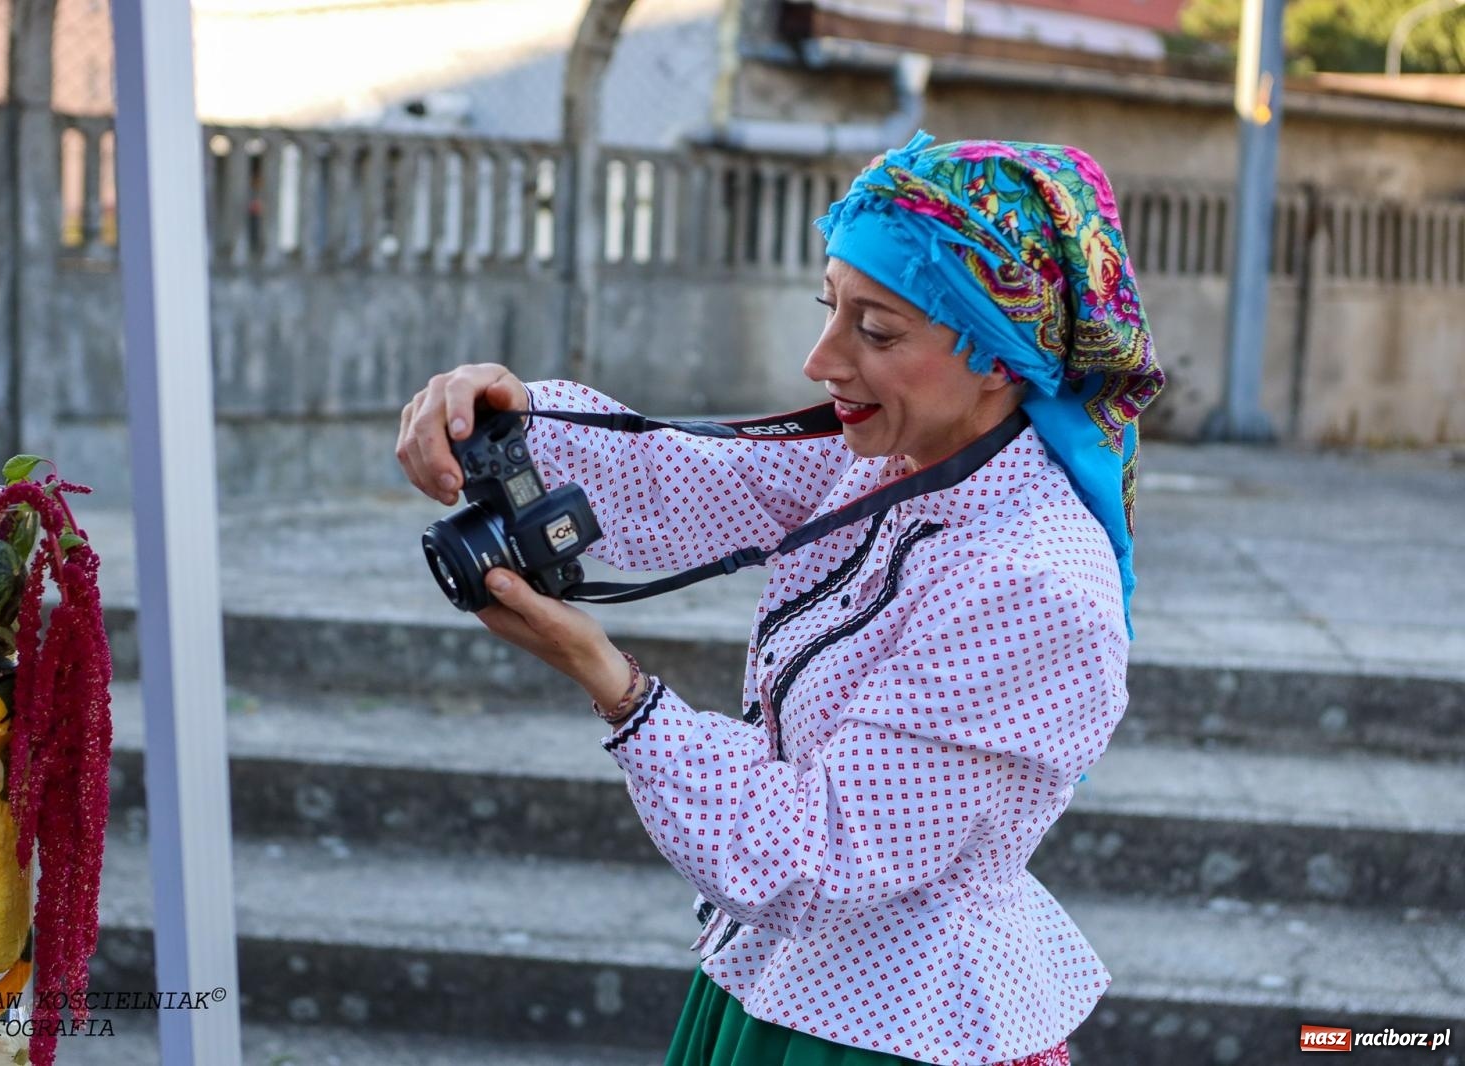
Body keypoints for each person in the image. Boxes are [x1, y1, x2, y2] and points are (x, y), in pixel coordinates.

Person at [396, 131, 1164, 1066]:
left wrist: (615, 686)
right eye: (830, 308)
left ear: (1001, 357)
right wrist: (511, 425)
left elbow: (820, 857)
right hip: (782, 989)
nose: (820, 359)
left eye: (877, 331)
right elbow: (685, 478)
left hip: (893, 1033)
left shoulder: (1032, 582)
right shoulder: (907, 461)